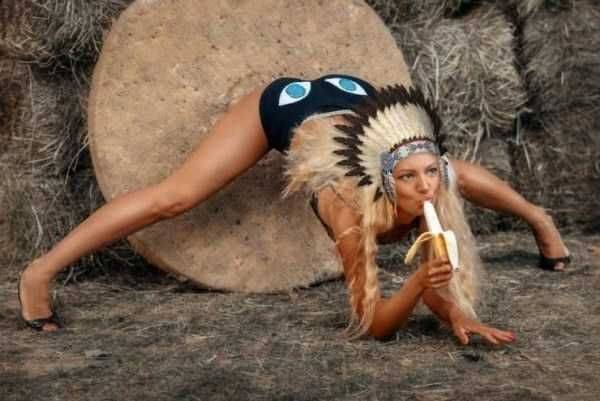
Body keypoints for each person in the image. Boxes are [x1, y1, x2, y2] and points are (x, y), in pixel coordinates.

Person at [18, 74, 570, 340]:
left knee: (456, 173)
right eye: (409, 179)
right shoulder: (346, 210)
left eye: (428, 174)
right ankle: (40, 271)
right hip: (287, 107)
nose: (426, 188)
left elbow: (435, 277)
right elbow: (373, 324)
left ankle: (539, 219)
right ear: (385, 182)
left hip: (357, 100)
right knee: (176, 196)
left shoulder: (430, 180)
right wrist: (418, 283)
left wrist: (456, 313)